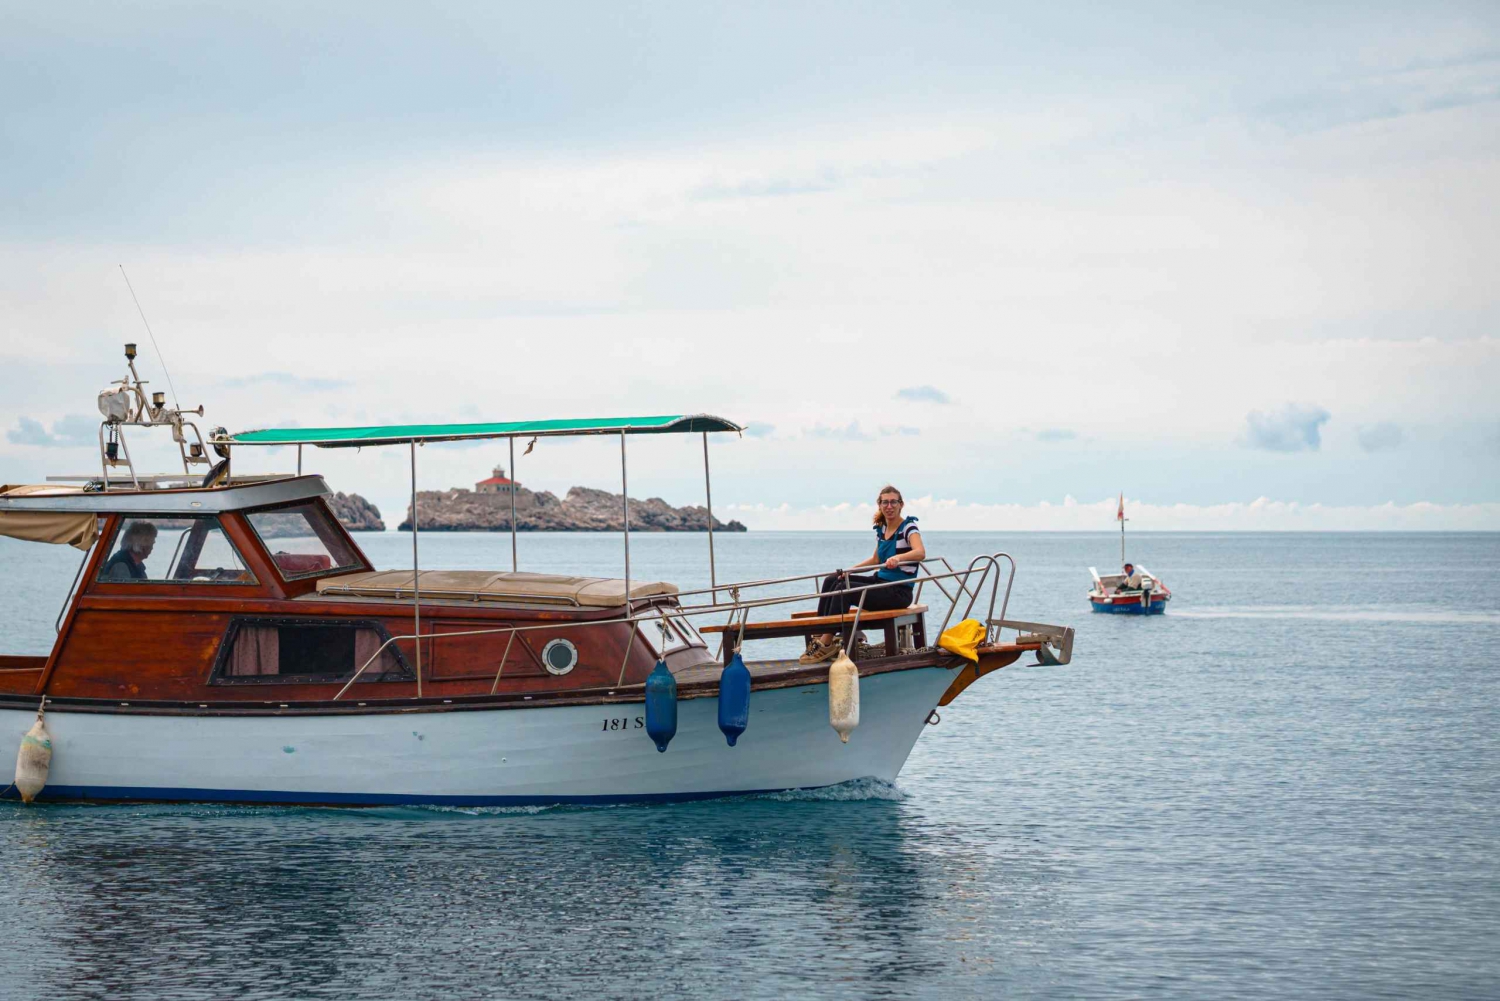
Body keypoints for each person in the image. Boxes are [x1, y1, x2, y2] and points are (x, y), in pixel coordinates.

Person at [800, 485, 925, 664]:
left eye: (893, 502)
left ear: (901, 505)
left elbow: (920, 552)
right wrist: (850, 570)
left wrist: (899, 557)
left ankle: (826, 643)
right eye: (885, 502)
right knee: (834, 580)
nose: (889, 506)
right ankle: (821, 635)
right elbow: (875, 559)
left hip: (898, 592)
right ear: (879, 505)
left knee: (845, 590)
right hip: (880, 582)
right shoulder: (882, 529)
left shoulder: (908, 527)